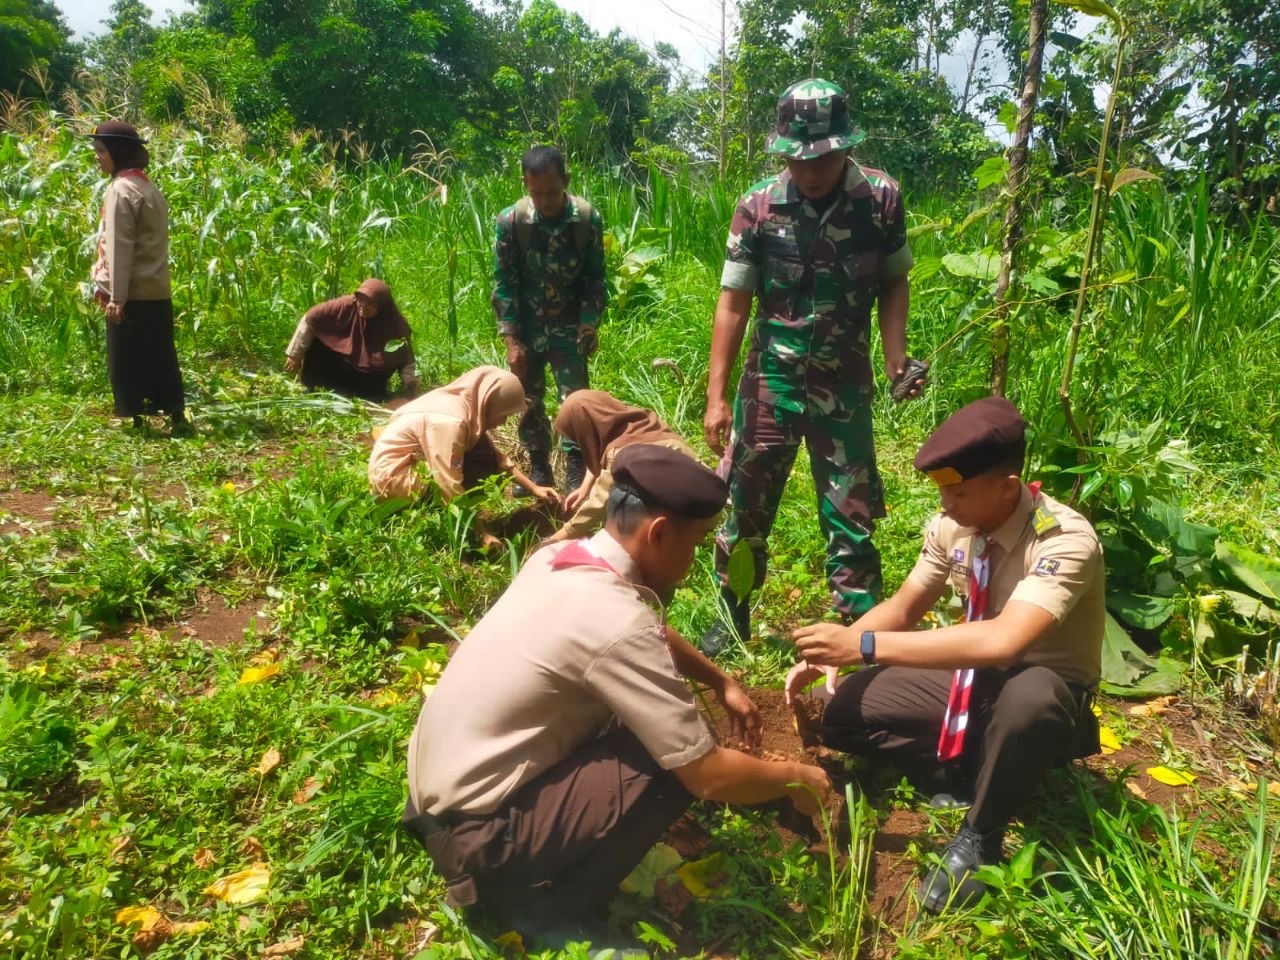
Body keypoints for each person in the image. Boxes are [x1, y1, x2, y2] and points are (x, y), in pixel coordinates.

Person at [403, 445, 832, 952]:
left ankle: (535, 869)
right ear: (658, 533)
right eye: (693, 543)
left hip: (433, 802)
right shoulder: (616, 624)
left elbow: (645, 631)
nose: (693, 560)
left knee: (652, 730)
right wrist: (796, 778)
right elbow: (708, 775)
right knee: (670, 762)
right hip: (480, 841)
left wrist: (721, 681)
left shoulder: (560, 558)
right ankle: (553, 908)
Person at [785, 397, 1104, 913]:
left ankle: (980, 837)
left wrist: (863, 646)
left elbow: (1005, 641)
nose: (946, 502)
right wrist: (832, 655)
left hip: (1043, 690)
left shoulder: (1063, 540)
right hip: (974, 681)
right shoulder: (952, 525)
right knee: (844, 713)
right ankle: (978, 761)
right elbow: (907, 604)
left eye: (957, 491)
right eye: (941, 491)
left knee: (1030, 701)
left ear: (1006, 487)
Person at [701, 79, 926, 656]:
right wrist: (717, 396)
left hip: (844, 385)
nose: (811, 171)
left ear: (844, 146)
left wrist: (895, 352)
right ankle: (733, 616)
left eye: (823, 157)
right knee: (746, 506)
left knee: (851, 512)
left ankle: (857, 633)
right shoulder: (757, 206)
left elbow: (894, 279)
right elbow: (733, 303)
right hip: (769, 384)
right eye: (798, 160)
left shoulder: (881, 199)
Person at [492, 145, 607, 494]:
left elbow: (595, 280)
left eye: (551, 192)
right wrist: (510, 340)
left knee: (575, 400)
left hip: (569, 326)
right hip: (527, 327)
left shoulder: (587, 220)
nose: (544, 201)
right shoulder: (511, 222)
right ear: (526, 184)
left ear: (566, 181)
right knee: (527, 398)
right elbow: (504, 284)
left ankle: (575, 472)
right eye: (535, 192)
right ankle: (538, 470)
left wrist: (590, 322)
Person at [89, 120, 188, 434]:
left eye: (101, 151)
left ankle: (133, 416)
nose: (97, 157)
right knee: (161, 355)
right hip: (157, 290)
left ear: (118, 152)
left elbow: (119, 248)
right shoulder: (149, 188)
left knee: (127, 358)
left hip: (131, 292)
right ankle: (175, 414)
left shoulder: (121, 190)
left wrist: (117, 298)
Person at [367, 366, 558, 512]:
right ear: (489, 402)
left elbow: (497, 458)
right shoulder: (451, 422)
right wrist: (481, 534)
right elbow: (447, 481)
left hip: (406, 468)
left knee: (483, 450)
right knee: (475, 465)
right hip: (395, 480)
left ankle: (443, 508)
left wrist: (534, 488)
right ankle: (437, 514)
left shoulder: (460, 405)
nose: (503, 421)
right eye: (503, 414)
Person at [546, 389, 708, 542]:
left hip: (693, 524)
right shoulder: (640, 423)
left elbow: (598, 505)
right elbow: (601, 454)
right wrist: (585, 487)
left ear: (586, 429)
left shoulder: (622, 454)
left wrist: (558, 538)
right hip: (708, 501)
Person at [285, 279, 419, 400]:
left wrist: (409, 382)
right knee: (318, 342)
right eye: (361, 299)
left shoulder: (395, 324)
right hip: (341, 366)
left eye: (370, 303)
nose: (363, 305)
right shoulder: (347, 305)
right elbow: (310, 319)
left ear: (381, 305)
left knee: (371, 394)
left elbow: (406, 357)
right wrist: (295, 355)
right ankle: (315, 388)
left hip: (369, 378)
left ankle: (359, 395)